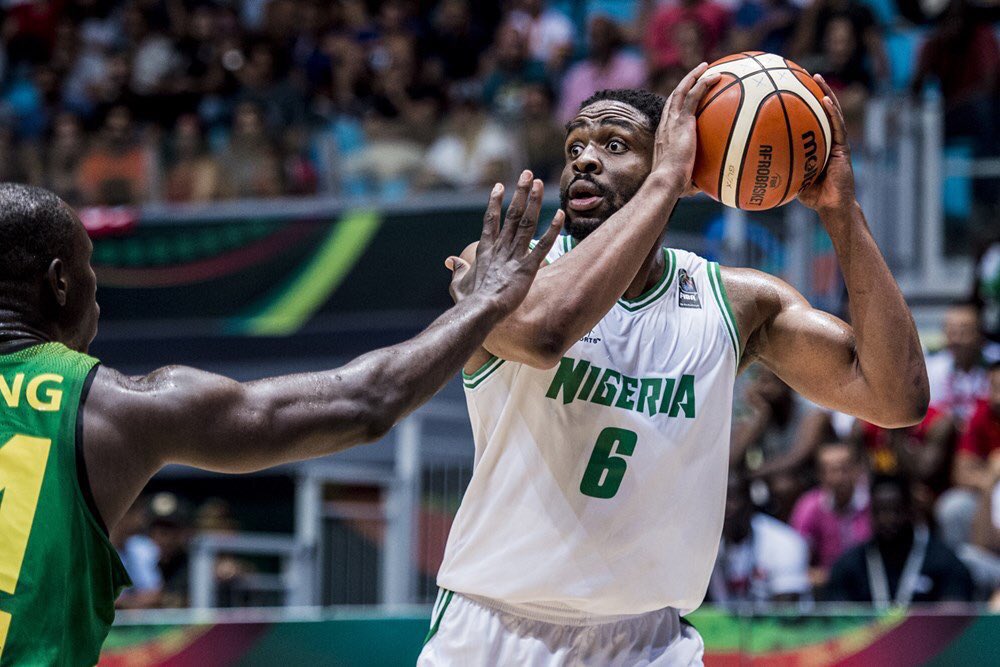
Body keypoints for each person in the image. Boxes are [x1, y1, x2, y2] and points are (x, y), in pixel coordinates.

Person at [420, 63, 928, 665]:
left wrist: (841, 211)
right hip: (496, 631)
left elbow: (896, 399)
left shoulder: (735, 303)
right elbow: (542, 335)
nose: (584, 159)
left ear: (689, 172)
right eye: (575, 146)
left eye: (614, 145)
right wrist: (664, 177)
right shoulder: (503, 266)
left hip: (650, 640)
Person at [0, 180, 561, 664]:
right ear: (61, 283)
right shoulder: (113, 408)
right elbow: (367, 401)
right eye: (90, 266)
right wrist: (482, 303)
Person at [825, 476, 973, 606]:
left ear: (911, 512)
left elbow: (955, 620)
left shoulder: (943, 562)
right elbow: (838, 622)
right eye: (880, 511)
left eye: (896, 511)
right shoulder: (848, 566)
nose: (887, 519)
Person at [708, 471, 811, 606]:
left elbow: (787, 617)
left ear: (749, 502)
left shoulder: (784, 544)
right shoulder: (705, 548)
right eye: (719, 499)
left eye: (732, 498)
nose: (725, 507)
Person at [791, 440, 871, 587]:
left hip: (868, 585)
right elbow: (797, 562)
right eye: (831, 470)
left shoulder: (872, 505)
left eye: (844, 469)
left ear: (857, 469)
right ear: (820, 475)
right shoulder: (809, 506)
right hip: (826, 588)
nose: (839, 478)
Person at [925, 301, 991, 429]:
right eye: (951, 331)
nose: (956, 339)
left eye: (963, 331)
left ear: (980, 334)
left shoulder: (993, 368)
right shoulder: (930, 369)